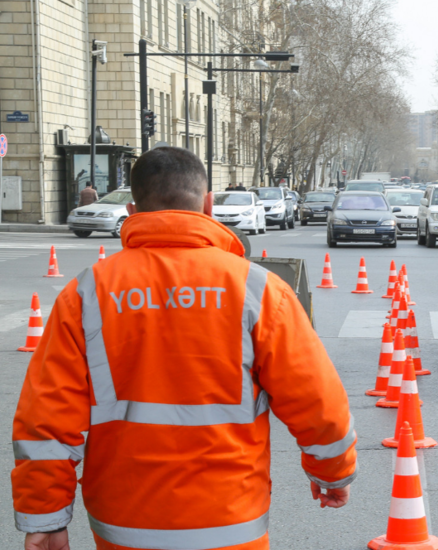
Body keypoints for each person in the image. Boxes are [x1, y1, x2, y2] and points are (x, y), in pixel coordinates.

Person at [11, 147, 356, 550]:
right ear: (207, 204)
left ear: (133, 207)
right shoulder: (258, 290)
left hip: (125, 522)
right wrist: (331, 473)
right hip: (230, 520)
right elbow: (316, 399)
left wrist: (47, 517)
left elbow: (47, 418)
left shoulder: (87, 294)